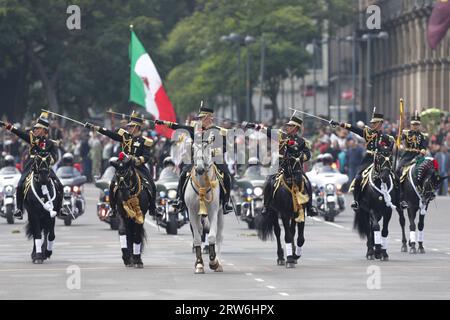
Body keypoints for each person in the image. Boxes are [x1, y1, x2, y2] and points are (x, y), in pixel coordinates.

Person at [156, 102, 234, 214]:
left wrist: (212, 152)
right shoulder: (195, 129)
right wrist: (163, 123)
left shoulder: (219, 131)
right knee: (183, 174)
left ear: (208, 118)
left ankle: (226, 203)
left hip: (215, 160)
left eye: (201, 118)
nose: (199, 120)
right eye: (199, 118)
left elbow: (225, 147)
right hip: (197, 160)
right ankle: (180, 200)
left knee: (226, 176)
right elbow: (179, 126)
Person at [85, 111, 156, 215]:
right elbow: (109, 133)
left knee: (152, 185)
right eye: (129, 126)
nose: (129, 128)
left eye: (131, 127)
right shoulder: (125, 137)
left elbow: (147, 156)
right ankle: (113, 208)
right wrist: (95, 128)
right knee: (112, 184)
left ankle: (153, 208)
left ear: (137, 127)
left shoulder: (144, 141)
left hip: (138, 166)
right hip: (124, 167)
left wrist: (136, 159)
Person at [246, 114, 318, 216]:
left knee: (307, 183)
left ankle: (310, 207)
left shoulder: (302, 141)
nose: (287, 127)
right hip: (280, 166)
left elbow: (308, 155)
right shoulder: (281, 136)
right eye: (287, 125)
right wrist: (254, 126)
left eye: (290, 126)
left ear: (295, 128)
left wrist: (300, 158)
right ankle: (266, 206)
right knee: (268, 182)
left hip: (295, 167)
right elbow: (267, 131)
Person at [330, 109, 401, 210]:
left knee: (395, 178)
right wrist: (339, 124)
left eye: (375, 123)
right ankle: (357, 201)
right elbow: (353, 128)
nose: (372, 124)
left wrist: (396, 145)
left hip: (381, 161)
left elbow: (391, 151)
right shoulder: (367, 133)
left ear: (380, 123)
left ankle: (399, 201)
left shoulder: (386, 138)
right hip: (368, 159)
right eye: (372, 123)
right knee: (358, 178)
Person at [1, 112, 63, 219]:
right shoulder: (32, 139)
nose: (35, 130)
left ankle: (60, 209)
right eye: (35, 129)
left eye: (38, 129)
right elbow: (18, 132)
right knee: (20, 185)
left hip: (45, 166)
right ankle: (19, 209)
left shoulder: (50, 143)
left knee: (60, 185)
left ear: (44, 131)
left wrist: (48, 161)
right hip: (32, 164)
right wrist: (6, 126)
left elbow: (55, 156)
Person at [396, 112, 428, 176]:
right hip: (407, 156)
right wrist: (399, 136)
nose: (415, 126)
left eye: (417, 125)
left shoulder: (423, 136)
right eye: (413, 124)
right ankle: (397, 185)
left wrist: (420, 155)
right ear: (411, 125)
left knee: (426, 171)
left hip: (418, 156)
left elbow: (423, 148)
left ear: (419, 125)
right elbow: (399, 140)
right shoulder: (406, 133)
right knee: (398, 169)